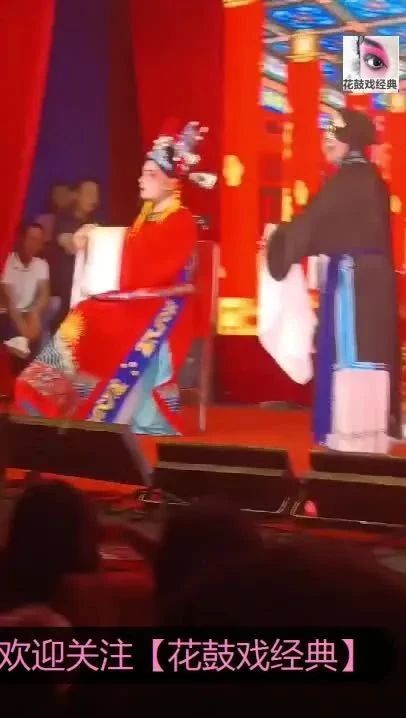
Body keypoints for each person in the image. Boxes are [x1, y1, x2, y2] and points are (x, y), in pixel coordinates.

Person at [14, 121, 215, 435]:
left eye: (150, 174)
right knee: (85, 314)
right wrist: (95, 235)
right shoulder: (147, 215)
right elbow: (132, 253)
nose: (141, 180)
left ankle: (82, 401)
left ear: (170, 183)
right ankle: (48, 394)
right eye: (143, 173)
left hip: (163, 308)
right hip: (138, 299)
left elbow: (144, 263)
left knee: (91, 316)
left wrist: (98, 236)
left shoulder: (181, 220)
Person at [264, 108, 400, 453]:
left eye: (333, 134)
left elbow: (312, 225)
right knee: (367, 352)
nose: (326, 140)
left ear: (350, 140)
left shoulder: (348, 181)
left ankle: (352, 436)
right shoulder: (368, 178)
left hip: (354, 282)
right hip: (371, 281)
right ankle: (367, 434)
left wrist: (278, 239)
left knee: (351, 352)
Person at [45, 179, 100, 330]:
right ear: (75, 195)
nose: (94, 199)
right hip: (63, 289)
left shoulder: (96, 222)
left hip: (86, 287)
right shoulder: (63, 219)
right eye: (88, 194)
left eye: (96, 195)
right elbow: (71, 244)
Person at [0, 223, 50, 358]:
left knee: (37, 334)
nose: (34, 245)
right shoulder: (7, 261)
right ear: (21, 239)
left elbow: (44, 293)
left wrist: (35, 312)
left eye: (38, 241)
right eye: (31, 239)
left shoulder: (41, 264)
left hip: (27, 312)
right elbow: (9, 300)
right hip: (7, 313)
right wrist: (23, 328)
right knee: (19, 339)